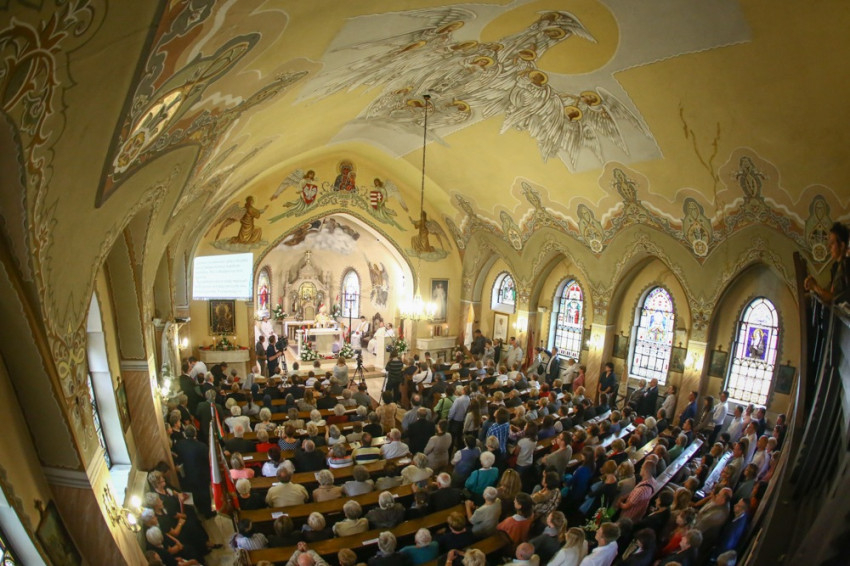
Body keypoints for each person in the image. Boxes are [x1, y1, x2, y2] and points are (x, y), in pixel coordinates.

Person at [804, 222, 850, 304]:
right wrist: (814, 286)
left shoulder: (846, 266)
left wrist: (814, 286)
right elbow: (827, 293)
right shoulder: (836, 266)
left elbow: (832, 298)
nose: (829, 246)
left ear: (842, 246)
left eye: (832, 243)